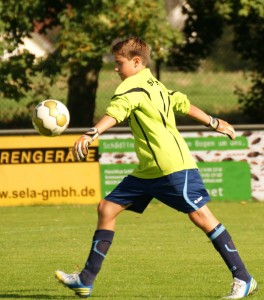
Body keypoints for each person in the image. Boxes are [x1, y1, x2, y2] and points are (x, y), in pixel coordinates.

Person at [55, 37, 258, 299]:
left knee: (201, 217)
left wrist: (91, 132)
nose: (116, 69)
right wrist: (214, 122)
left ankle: (244, 278)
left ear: (136, 62)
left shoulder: (133, 87)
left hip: (173, 166)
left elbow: (117, 111)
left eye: (119, 64)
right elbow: (181, 102)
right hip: (149, 169)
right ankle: (85, 280)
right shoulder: (154, 84)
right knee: (107, 208)